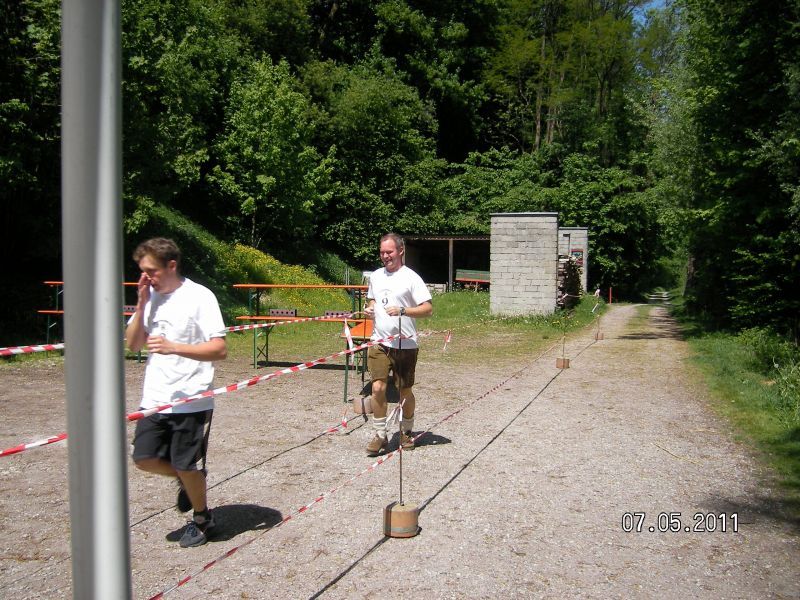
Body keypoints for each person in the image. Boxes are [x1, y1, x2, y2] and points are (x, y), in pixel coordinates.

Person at [125, 238, 227, 548]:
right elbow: (133, 344)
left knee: (186, 464)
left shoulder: (200, 296)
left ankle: (203, 518)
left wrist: (174, 347)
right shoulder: (150, 297)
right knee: (143, 459)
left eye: (151, 271)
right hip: (154, 399)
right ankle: (189, 481)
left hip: (191, 399)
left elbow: (219, 349)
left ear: (172, 265)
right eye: (142, 271)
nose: (146, 277)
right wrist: (141, 302)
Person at [364, 233, 432, 456]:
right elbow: (373, 299)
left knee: (405, 391)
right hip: (379, 341)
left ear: (400, 251)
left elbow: (427, 309)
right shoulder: (376, 276)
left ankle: (406, 431)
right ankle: (380, 435)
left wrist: (403, 310)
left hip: (405, 344)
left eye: (389, 252)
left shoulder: (411, 278)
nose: (385, 256)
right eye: (382, 252)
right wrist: (370, 308)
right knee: (377, 388)